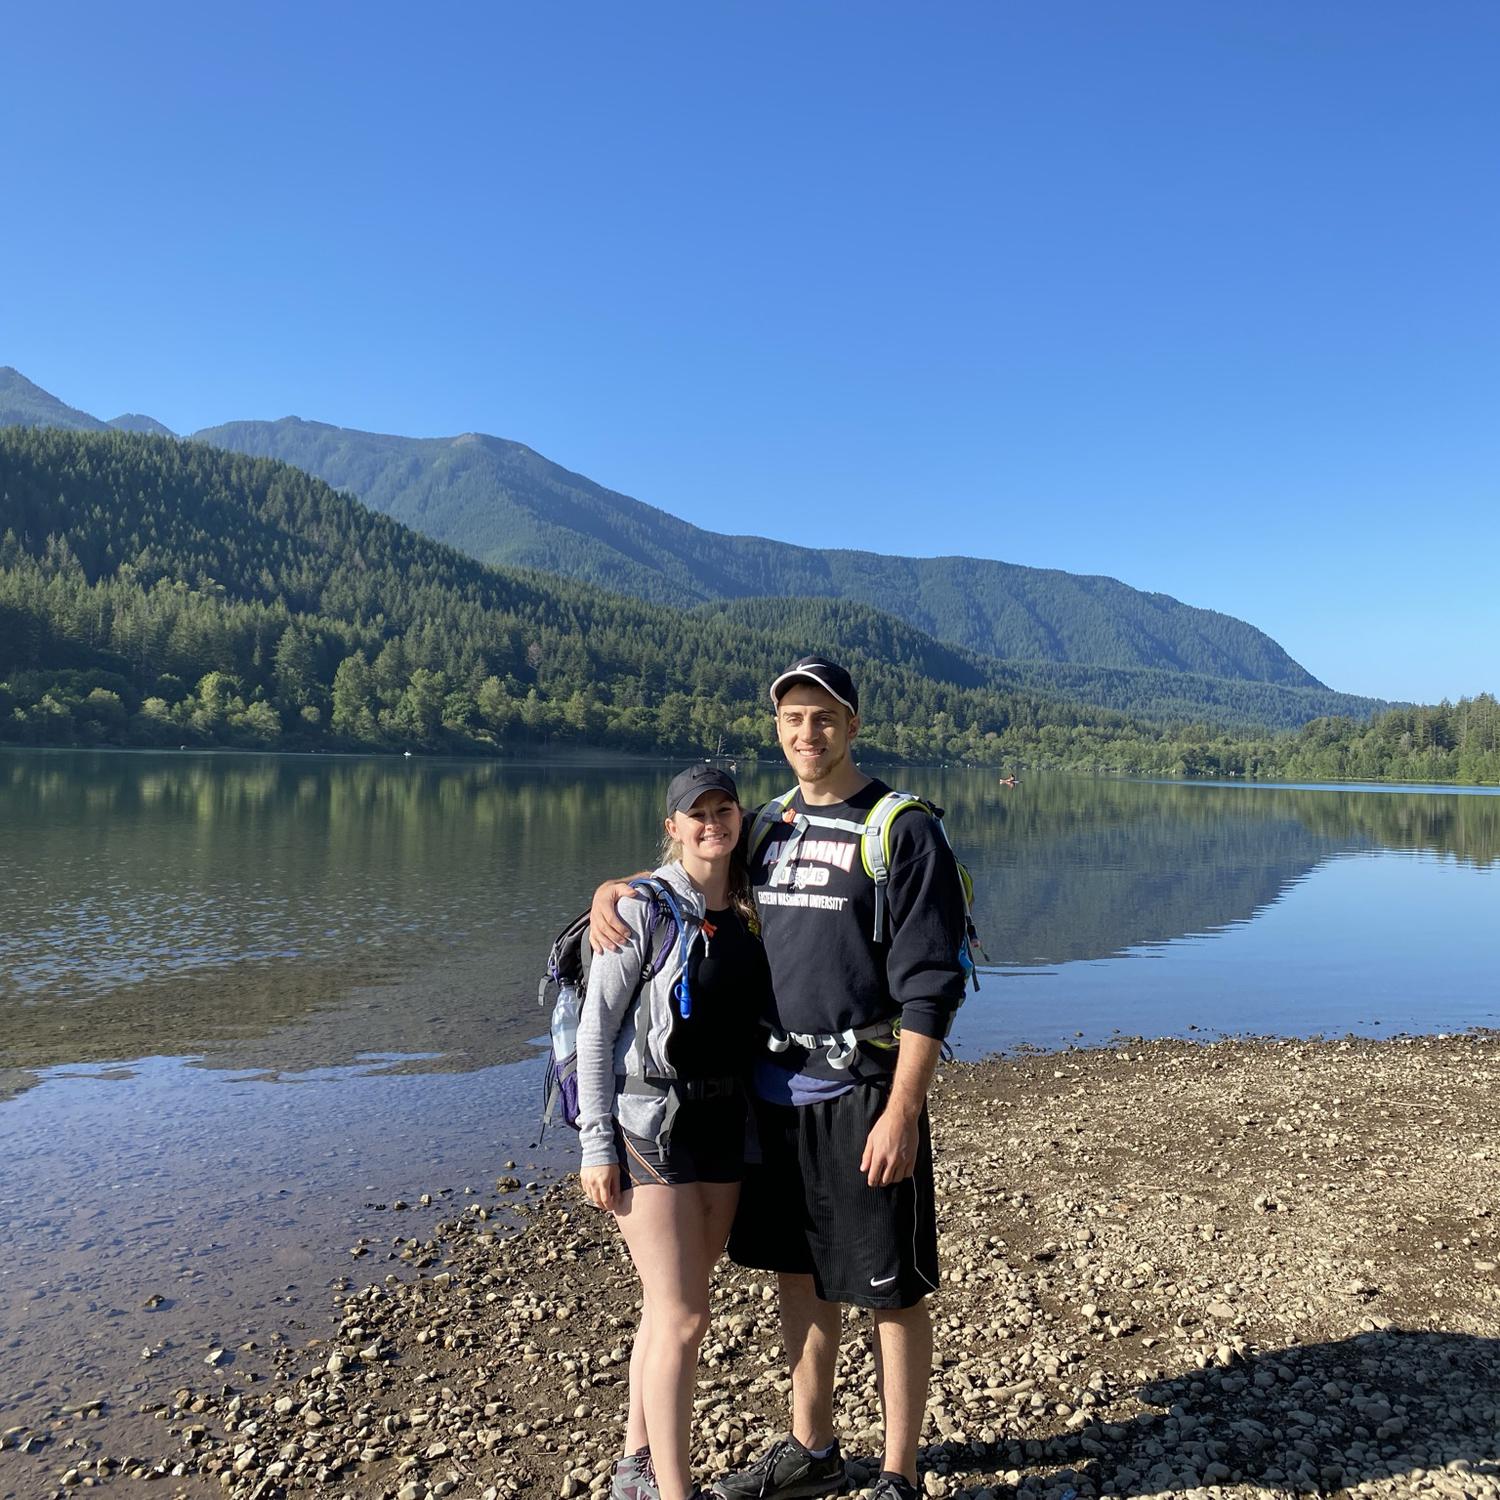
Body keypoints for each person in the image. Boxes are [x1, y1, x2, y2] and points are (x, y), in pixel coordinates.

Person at [592, 658, 970, 1500]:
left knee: (889, 1288)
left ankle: (900, 1472)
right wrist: (611, 889)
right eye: (794, 718)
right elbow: (688, 886)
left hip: (866, 1094)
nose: (809, 732)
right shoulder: (766, 826)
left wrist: (904, 1109)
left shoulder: (900, 829)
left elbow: (932, 985)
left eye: (825, 716)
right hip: (775, 1096)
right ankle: (815, 1446)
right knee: (799, 1277)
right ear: (778, 730)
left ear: (853, 723)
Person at [578, 765, 770, 1500]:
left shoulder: (751, 904)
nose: (712, 822)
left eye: (724, 808)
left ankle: (634, 1463)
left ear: (740, 817)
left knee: (670, 1307)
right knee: (688, 1315)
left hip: (725, 1121)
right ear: (673, 827)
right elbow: (597, 1032)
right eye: (698, 813)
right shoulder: (640, 910)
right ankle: (675, 1490)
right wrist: (597, 1143)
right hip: (648, 1122)